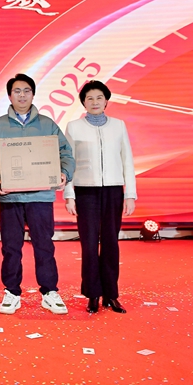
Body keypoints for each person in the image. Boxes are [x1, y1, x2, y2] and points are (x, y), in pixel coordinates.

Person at [0, 73, 75, 315]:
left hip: (40, 197)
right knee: (11, 247)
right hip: (10, 198)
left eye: (26, 91)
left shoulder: (47, 124)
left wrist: (63, 173)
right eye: (17, 91)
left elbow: (65, 153)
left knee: (44, 245)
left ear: (33, 94)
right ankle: (12, 292)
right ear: (9, 96)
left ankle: (49, 292)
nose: (22, 95)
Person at [63, 80, 136, 314]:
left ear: (106, 101)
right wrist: (69, 195)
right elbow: (68, 163)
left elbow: (127, 160)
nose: (94, 102)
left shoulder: (118, 126)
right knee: (89, 243)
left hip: (113, 190)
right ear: (83, 102)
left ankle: (111, 295)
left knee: (111, 242)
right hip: (86, 191)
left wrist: (130, 194)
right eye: (90, 98)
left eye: (99, 98)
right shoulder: (74, 127)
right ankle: (93, 294)